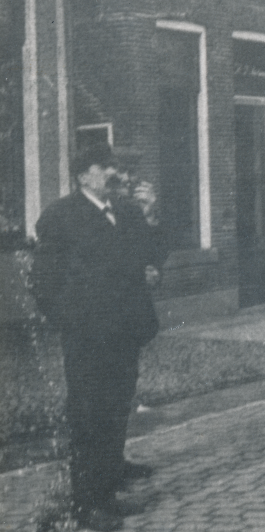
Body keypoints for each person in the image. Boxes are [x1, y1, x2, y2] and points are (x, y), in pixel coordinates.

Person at [30, 143, 166, 532]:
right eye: (105, 167)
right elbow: (43, 282)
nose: (116, 173)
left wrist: (152, 215)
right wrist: (72, 323)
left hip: (126, 331)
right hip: (88, 336)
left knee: (118, 405)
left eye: (116, 167)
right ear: (82, 175)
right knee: (88, 414)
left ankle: (109, 484)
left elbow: (154, 254)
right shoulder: (60, 216)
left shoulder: (125, 212)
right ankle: (87, 503)